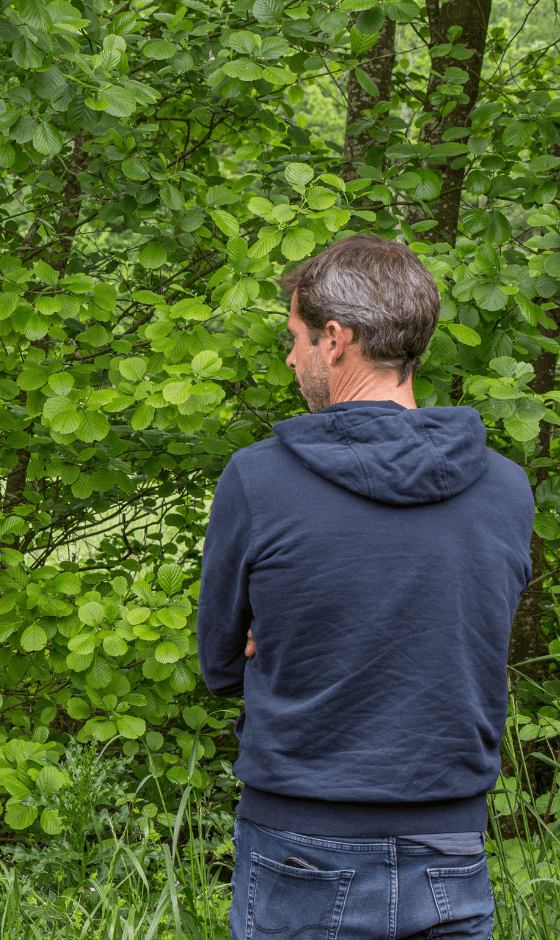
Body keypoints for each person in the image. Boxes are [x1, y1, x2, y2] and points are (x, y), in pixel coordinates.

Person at [197, 235, 534, 940]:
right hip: (451, 851)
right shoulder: (505, 488)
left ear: (336, 338)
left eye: (294, 338)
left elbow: (221, 664)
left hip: (299, 846)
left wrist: (284, 637)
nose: (290, 358)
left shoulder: (259, 480)